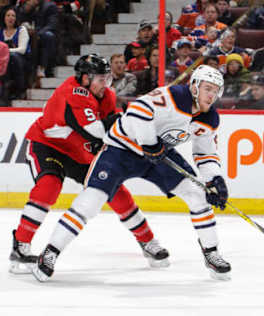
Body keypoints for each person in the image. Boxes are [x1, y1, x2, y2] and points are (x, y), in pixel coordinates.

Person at [32, 65, 232, 282]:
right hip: (121, 149)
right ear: (194, 87)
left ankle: (211, 253)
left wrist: (215, 180)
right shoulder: (175, 96)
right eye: (207, 88)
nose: (211, 95)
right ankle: (50, 252)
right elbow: (137, 109)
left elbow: (205, 153)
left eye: (216, 90)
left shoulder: (209, 119)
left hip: (158, 154)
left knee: (196, 194)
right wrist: (149, 143)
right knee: (91, 201)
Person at [9, 54, 169, 274]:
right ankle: (20, 246)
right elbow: (97, 131)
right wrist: (127, 116)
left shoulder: (108, 95)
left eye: (107, 79)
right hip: (48, 146)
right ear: (85, 79)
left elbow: (114, 132)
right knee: (49, 186)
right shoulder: (73, 93)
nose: (106, 85)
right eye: (100, 79)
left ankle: (148, 241)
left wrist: (134, 122)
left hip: (79, 153)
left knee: (114, 190)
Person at [0, 7, 31, 100]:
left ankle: (20, 89)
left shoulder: (21, 30)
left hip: (22, 60)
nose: (10, 18)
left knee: (13, 57)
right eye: (8, 15)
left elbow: (22, 49)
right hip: (4, 61)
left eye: (13, 16)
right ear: (4, 18)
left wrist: (5, 51)